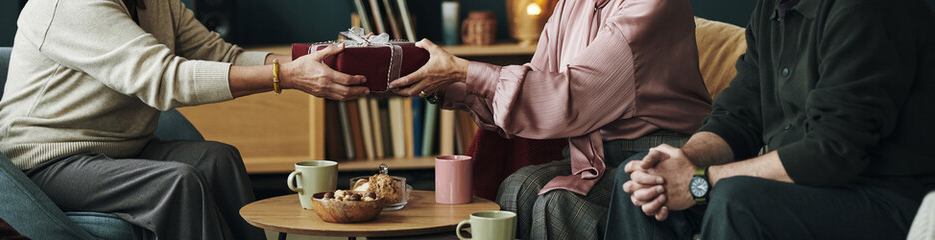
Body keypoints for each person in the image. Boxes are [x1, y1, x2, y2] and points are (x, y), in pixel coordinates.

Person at [0, 0, 369, 239]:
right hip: (43, 161)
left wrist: (301, 68)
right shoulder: (72, 5)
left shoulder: (154, 2)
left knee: (218, 158)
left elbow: (220, 54)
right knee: (177, 184)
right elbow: (165, 79)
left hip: (118, 151)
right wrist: (284, 76)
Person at [610, 0, 935, 239]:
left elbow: (831, 152)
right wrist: (682, 163)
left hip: (888, 201)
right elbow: (738, 117)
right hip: (805, 188)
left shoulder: (866, 10)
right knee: (643, 181)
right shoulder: (771, 10)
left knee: (736, 200)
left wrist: (698, 182)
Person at [389, 0, 712, 238]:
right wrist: (433, 83)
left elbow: (570, 98)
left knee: (559, 202)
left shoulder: (655, 5)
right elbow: (534, 89)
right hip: (597, 152)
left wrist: (463, 71)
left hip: (663, 154)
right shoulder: (571, 4)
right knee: (518, 186)